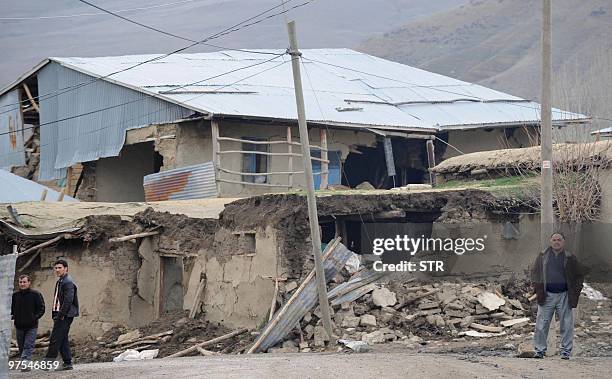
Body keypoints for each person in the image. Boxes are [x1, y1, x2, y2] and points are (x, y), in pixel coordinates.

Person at [531, 232, 585, 359]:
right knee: (541, 324)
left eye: (559, 240)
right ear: (550, 241)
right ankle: (539, 351)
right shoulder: (543, 256)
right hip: (547, 295)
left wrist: (575, 291)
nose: (556, 242)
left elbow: (579, 276)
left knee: (566, 325)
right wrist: (538, 290)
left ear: (563, 242)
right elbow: (535, 273)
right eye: (554, 240)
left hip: (564, 295)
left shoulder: (570, 257)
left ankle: (565, 352)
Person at [44, 259, 79, 371]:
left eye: (60, 267)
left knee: (55, 338)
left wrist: (61, 315)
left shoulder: (67, 282)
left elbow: (68, 300)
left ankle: (47, 363)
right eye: (56, 268)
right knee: (62, 338)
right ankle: (67, 363)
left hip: (65, 315)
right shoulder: (62, 281)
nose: (57, 270)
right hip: (61, 314)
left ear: (66, 269)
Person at [11, 275, 45, 371]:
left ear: (29, 282)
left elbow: (42, 308)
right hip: (19, 326)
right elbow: (11, 309)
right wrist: (13, 316)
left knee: (28, 345)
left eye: (24, 282)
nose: (22, 284)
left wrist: (35, 317)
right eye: (21, 282)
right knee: (21, 347)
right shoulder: (15, 295)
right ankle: (25, 363)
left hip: (32, 326)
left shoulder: (35, 294)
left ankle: (25, 364)